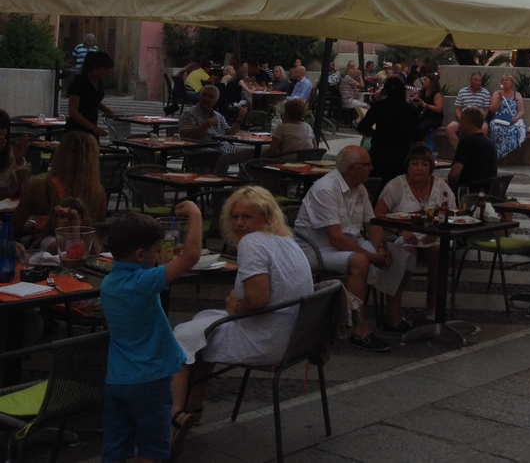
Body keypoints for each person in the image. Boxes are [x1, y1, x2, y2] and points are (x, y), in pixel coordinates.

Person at [170, 186, 314, 435]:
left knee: (180, 337)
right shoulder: (287, 241)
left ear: (266, 217)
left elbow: (258, 299)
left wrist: (236, 306)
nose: (238, 223)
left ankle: (173, 417)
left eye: (247, 217)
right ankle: (194, 409)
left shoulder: (252, 243)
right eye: (235, 217)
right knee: (200, 325)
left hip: (265, 340)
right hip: (294, 337)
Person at [100, 202, 203, 463]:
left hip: (116, 380)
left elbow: (163, 263)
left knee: (116, 448)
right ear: (139, 255)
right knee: (153, 449)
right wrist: (195, 214)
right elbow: (191, 257)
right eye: (156, 251)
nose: (159, 256)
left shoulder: (109, 283)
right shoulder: (143, 282)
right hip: (150, 380)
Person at [292, 146, 394, 352]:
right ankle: (358, 328)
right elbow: (335, 238)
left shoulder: (360, 188)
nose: (371, 168)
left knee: (399, 252)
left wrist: (380, 248)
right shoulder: (326, 189)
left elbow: (371, 223)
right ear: (351, 168)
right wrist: (371, 256)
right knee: (361, 261)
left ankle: (394, 315)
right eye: (367, 165)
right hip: (316, 249)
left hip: (347, 242)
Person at [369, 146, 455, 333]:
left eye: (424, 164)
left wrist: (437, 229)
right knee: (406, 253)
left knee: (440, 255)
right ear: (407, 166)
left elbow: (451, 214)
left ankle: (433, 310)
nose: (419, 168)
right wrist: (400, 231)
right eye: (414, 163)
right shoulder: (396, 185)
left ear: (431, 167)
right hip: (401, 235)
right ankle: (394, 313)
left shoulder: (441, 187)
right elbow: (377, 217)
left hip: (432, 238)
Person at [13, 131, 107, 237]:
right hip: (85, 248)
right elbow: (99, 231)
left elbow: (14, 227)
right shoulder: (98, 192)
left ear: (60, 154)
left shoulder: (41, 189)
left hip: (48, 249)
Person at [357, 76, 417, 184]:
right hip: (401, 153)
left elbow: (362, 126)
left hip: (380, 150)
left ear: (385, 91)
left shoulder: (378, 107)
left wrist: (373, 132)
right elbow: (417, 134)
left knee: (377, 183)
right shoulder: (410, 110)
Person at [178, 85, 253, 170]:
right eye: (204, 95)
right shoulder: (189, 114)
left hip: (224, 147)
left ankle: (244, 180)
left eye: (210, 97)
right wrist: (206, 125)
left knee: (256, 152)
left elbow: (229, 133)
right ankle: (217, 181)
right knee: (222, 157)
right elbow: (185, 136)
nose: (206, 98)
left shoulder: (217, 115)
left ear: (215, 101)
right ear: (200, 96)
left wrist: (240, 118)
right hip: (201, 150)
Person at [65, 50, 116, 138]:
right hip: (77, 128)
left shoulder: (98, 81)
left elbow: (93, 100)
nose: (107, 73)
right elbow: (73, 111)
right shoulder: (79, 83)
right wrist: (93, 127)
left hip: (92, 124)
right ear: (93, 67)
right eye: (104, 69)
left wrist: (106, 110)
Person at [449, 107, 498, 192]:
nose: (459, 126)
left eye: (461, 121)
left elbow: (454, 174)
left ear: (468, 123)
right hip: (486, 193)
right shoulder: (490, 144)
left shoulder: (466, 143)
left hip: (467, 192)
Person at [446, 72, 491, 150]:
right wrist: (462, 120)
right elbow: (457, 109)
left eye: (480, 81)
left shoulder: (485, 93)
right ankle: (458, 149)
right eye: (476, 80)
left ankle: (479, 150)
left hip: (478, 120)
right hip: (464, 119)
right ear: (470, 81)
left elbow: (486, 110)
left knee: (484, 128)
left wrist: (479, 120)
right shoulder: (462, 92)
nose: (478, 82)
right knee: (450, 128)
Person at [488, 73, 527, 160]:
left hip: (513, 120)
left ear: (512, 83)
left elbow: (521, 110)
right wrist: (499, 100)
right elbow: (492, 109)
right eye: (503, 80)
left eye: (507, 80)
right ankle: (498, 154)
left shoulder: (517, 95)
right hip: (499, 119)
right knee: (495, 128)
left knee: (513, 130)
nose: (505, 82)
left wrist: (516, 118)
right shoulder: (496, 93)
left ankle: (505, 154)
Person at [0, 110, 31, 201]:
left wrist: (20, 160)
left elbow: (25, 191)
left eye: (4, 127)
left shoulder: (11, 153)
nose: (2, 131)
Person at [413, 71, 445, 154]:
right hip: (422, 115)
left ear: (431, 82)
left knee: (422, 128)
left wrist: (425, 105)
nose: (423, 82)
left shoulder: (436, 94)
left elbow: (438, 109)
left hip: (433, 117)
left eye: (425, 80)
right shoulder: (422, 92)